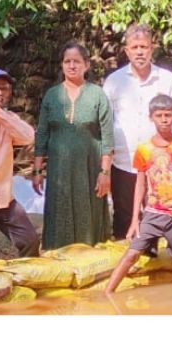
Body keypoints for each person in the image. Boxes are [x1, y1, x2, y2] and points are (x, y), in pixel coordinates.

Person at [105, 94, 172, 292]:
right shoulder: (144, 149)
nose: (164, 119)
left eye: (168, 115)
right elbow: (140, 185)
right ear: (151, 118)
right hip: (153, 213)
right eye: (159, 115)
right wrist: (134, 220)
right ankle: (108, 293)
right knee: (132, 253)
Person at [103, 23, 172, 240]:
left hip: (158, 163)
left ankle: (156, 263)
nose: (140, 52)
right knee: (123, 216)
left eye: (144, 47)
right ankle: (125, 262)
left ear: (153, 49)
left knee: (159, 213)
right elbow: (105, 123)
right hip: (123, 161)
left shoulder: (167, 80)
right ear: (126, 50)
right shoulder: (114, 82)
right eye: (135, 47)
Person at [32, 42, 115, 250]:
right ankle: (57, 257)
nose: (72, 66)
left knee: (88, 213)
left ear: (86, 65)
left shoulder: (97, 95)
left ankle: (90, 259)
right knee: (59, 212)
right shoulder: (52, 96)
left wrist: (105, 172)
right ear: (61, 65)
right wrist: (37, 169)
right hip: (59, 169)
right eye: (67, 61)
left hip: (89, 169)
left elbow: (107, 137)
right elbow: (42, 134)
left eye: (76, 61)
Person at [0, 68, 40, 257]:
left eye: (4, 89)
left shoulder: (7, 119)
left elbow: (28, 136)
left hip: (4, 199)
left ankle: (25, 280)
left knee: (30, 241)